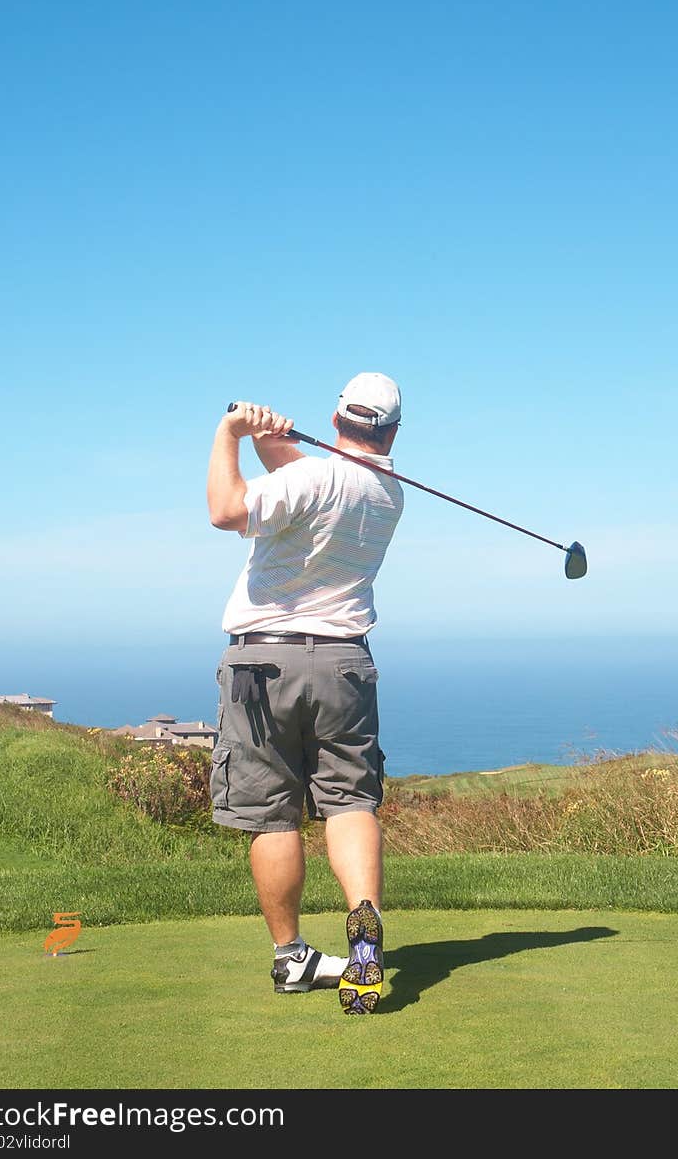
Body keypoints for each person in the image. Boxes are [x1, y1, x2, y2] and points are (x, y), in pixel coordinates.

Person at [206, 372, 404, 1015]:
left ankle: (293, 956)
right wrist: (276, 442)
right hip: (345, 662)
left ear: (338, 417)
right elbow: (307, 486)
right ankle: (365, 935)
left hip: (264, 661)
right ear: (392, 431)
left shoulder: (310, 479)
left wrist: (231, 433)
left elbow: (226, 511)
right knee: (349, 802)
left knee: (272, 812)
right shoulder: (387, 493)